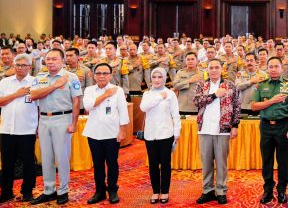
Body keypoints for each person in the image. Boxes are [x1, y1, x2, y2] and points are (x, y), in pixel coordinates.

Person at [30, 48, 82, 206]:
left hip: (63, 119)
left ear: (62, 61)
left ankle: (63, 190)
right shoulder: (39, 77)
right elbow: (34, 96)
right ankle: (49, 190)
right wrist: (55, 86)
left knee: (62, 157)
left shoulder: (71, 77)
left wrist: (74, 123)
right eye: (48, 59)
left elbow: (76, 102)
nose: (50, 62)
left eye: (54, 59)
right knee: (46, 157)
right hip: (44, 119)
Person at [251, 57, 288, 204]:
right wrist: (273, 100)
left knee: (282, 160)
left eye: (276, 66)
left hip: (283, 126)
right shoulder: (261, 85)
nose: (273, 69)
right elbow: (254, 106)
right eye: (270, 66)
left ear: (281, 68)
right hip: (266, 126)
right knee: (267, 159)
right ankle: (268, 190)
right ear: (267, 68)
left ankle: (282, 190)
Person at [0, 54, 38, 204]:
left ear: (30, 67)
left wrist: (38, 127)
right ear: (13, 66)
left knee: (28, 163)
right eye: (17, 65)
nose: (20, 68)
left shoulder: (36, 82)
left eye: (24, 65)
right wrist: (16, 94)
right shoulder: (5, 82)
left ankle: (27, 192)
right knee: (7, 163)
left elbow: (40, 107)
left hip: (27, 130)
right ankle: (6, 192)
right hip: (7, 130)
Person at [193, 59, 241, 205]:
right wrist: (215, 95)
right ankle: (207, 190)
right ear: (207, 70)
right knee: (206, 163)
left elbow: (237, 105)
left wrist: (235, 125)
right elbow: (196, 101)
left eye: (216, 67)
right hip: (205, 129)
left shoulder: (230, 85)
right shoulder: (202, 85)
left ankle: (221, 191)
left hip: (223, 129)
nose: (214, 70)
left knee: (221, 163)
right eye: (211, 68)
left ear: (222, 69)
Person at [82, 63, 129, 204]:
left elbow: (123, 111)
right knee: (98, 164)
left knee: (112, 163)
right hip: (94, 133)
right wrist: (106, 95)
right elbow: (88, 106)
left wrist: (123, 130)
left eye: (105, 73)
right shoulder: (89, 90)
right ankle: (100, 191)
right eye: (99, 73)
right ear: (93, 75)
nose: (102, 76)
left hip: (112, 134)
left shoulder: (118, 90)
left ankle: (113, 190)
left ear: (110, 75)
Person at [140, 67, 181, 204]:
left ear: (164, 78)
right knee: (152, 164)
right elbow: (143, 108)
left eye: (160, 77)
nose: (157, 80)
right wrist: (159, 97)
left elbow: (175, 114)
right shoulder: (147, 94)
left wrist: (177, 132)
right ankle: (155, 191)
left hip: (166, 133)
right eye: (154, 77)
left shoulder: (170, 94)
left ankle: (165, 191)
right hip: (150, 134)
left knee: (165, 164)